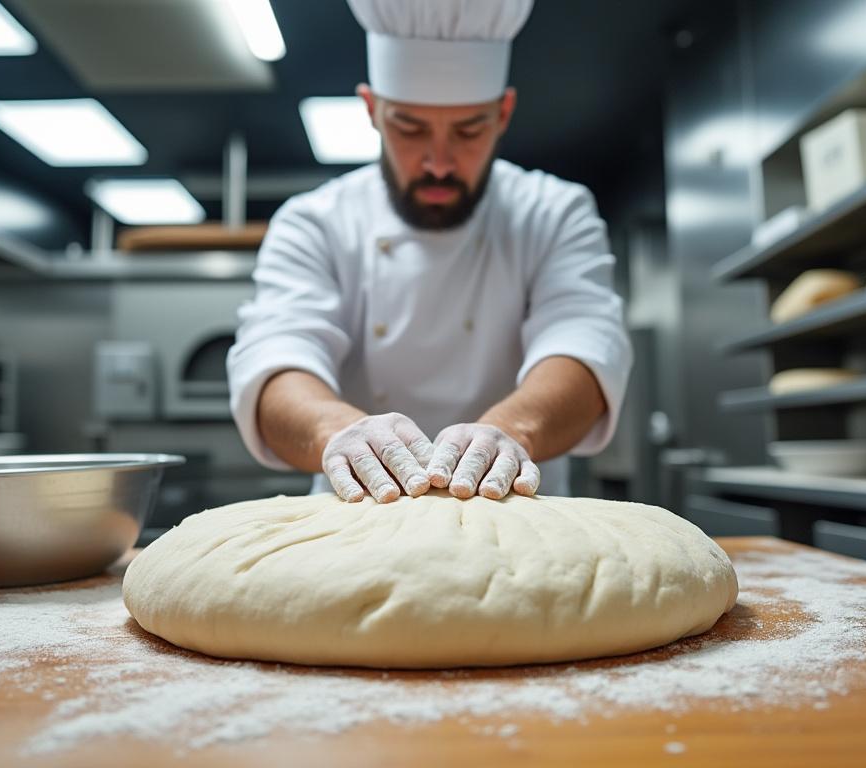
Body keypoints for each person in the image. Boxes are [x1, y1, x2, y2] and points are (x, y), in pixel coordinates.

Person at [227, 0, 632, 502]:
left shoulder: (553, 211)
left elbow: (584, 346)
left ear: (502, 113)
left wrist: (512, 432)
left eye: (468, 130)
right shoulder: (314, 221)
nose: (438, 162)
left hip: (514, 508)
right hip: (361, 510)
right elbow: (277, 357)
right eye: (410, 128)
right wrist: (337, 432)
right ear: (372, 111)